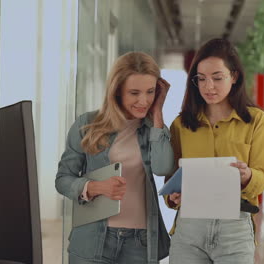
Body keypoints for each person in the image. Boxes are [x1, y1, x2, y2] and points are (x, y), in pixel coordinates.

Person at [55, 52, 174, 264]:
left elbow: (163, 167)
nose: (143, 101)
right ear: (117, 91)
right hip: (93, 239)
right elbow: (63, 179)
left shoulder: (154, 130)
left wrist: (157, 114)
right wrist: (95, 187)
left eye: (150, 92)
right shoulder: (88, 125)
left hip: (140, 243)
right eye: (134, 93)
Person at [166, 38, 264, 264]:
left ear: (234, 77)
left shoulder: (257, 121)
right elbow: (172, 177)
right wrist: (172, 196)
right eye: (201, 79)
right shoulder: (180, 125)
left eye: (217, 77)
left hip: (234, 227)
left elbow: (263, 176)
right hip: (189, 228)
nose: (209, 86)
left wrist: (247, 176)